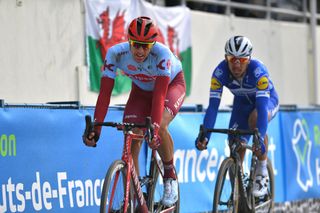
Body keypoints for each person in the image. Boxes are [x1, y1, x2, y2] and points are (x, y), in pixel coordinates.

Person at [83, 16, 186, 207]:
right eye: (136, 44)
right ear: (129, 41)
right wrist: (96, 128)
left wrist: (154, 129)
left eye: (145, 46)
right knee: (131, 139)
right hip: (140, 91)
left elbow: (159, 95)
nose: (140, 50)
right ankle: (135, 201)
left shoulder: (162, 54)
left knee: (161, 126)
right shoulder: (115, 54)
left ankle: (170, 177)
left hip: (170, 86)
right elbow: (105, 93)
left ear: (153, 44)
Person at [195, 36, 279, 198]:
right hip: (241, 105)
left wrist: (259, 138)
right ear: (226, 58)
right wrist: (205, 135)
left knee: (254, 120)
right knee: (234, 142)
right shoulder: (219, 73)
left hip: (266, 102)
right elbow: (213, 107)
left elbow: (261, 109)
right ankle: (238, 195)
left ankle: (261, 170)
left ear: (249, 59)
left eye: (242, 59)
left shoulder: (258, 72)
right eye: (232, 59)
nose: (236, 64)